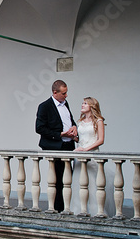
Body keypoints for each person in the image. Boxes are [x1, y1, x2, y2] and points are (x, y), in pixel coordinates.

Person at [35, 80, 77, 212]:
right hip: (55, 146)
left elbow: (69, 120)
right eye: (64, 93)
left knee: (68, 177)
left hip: (68, 146)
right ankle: (59, 208)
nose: (66, 95)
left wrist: (74, 127)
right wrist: (60, 134)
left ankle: (68, 205)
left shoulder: (66, 104)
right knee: (59, 179)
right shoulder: (45, 106)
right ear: (55, 92)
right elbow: (39, 128)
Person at [74, 96, 110, 216]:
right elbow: (81, 138)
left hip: (92, 154)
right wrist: (74, 137)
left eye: (85, 103)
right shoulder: (80, 121)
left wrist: (86, 149)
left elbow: (101, 140)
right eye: (82, 103)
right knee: (78, 183)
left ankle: (96, 211)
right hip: (79, 154)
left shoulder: (98, 120)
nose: (82, 105)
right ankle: (78, 210)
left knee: (93, 184)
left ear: (91, 106)